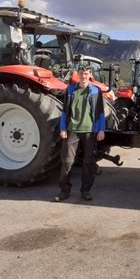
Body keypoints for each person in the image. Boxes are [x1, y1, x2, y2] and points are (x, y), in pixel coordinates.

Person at [54, 64, 105, 202]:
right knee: (67, 162)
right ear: (77, 74)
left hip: (90, 131)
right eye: (81, 73)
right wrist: (63, 128)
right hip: (72, 130)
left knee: (88, 162)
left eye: (86, 73)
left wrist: (101, 129)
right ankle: (64, 191)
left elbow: (100, 112)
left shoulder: (96, 91)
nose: (83, 76)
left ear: (89, 74)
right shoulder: (70, 90)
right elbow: (65, 111)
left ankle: (86, 191)